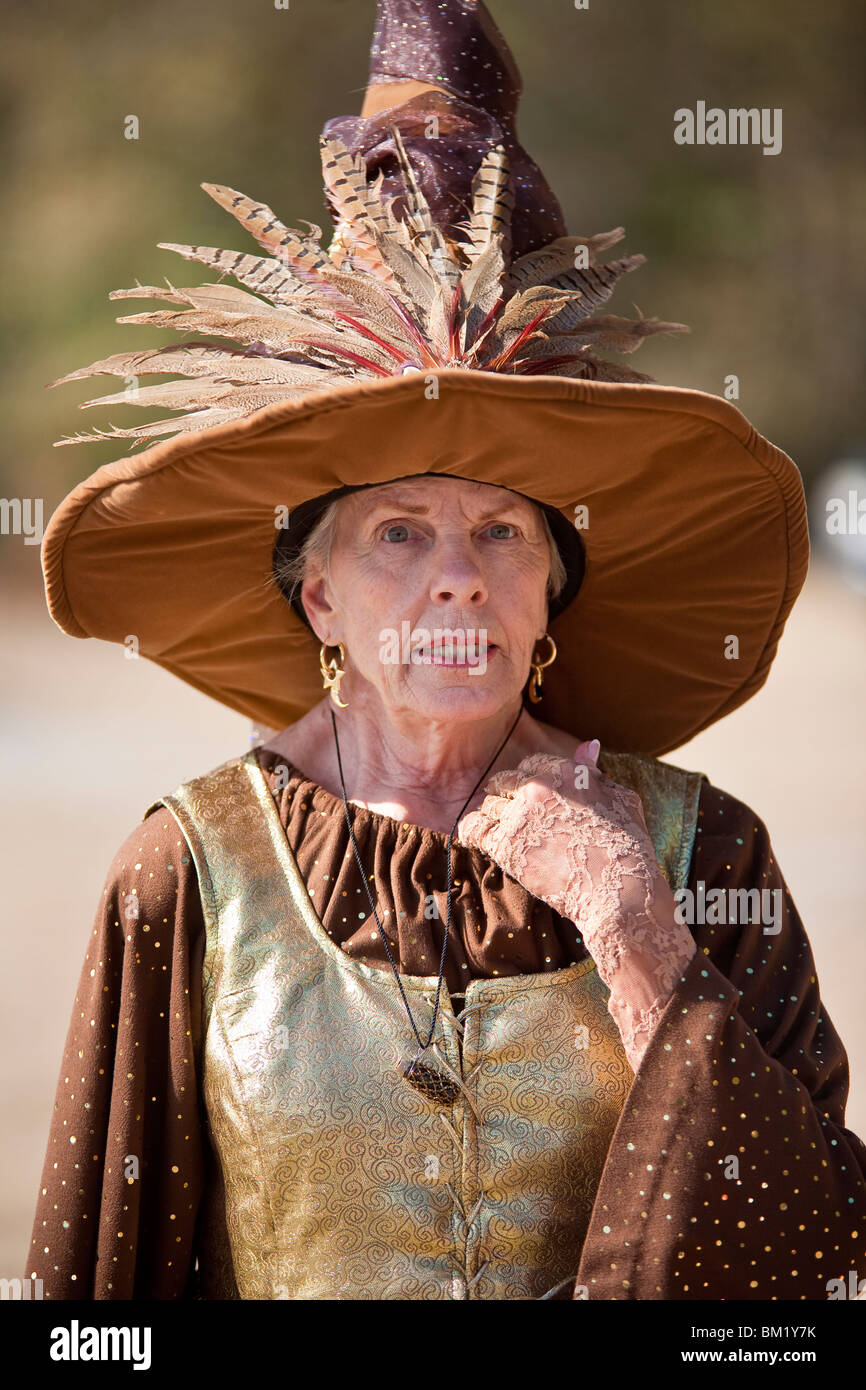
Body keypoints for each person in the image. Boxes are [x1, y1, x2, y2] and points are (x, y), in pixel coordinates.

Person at [29, 0, 866, 1300]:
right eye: (398, 531)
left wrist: (634, 925)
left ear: (551, 599)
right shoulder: (182, 878)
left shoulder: (709, 857)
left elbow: (811, 1263)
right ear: (318, 602)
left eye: (501, 532)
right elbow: (94, 1305)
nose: (457, 577)